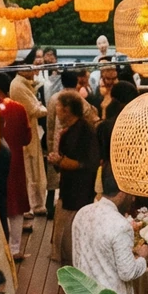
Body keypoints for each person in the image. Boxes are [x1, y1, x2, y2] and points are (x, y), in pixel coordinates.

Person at [68, 168, 147, 294]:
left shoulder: (82, 213)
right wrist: (143, 257)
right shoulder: (120, 225)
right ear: (122, 193)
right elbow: (127, 272)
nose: (131, 199)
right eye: (130, 194)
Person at [49, 89, 101, 265]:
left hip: (80, 188)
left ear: (67, 109)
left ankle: (75, 260)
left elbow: (86, 162)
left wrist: (61, 161)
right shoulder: (71, 129)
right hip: (70, 187)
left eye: (58, 107)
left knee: (74, 226)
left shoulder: (84, 131)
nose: (56, 111)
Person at [0, 70, 33, 261]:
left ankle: (1, 249)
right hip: (15, 160)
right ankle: (16, 248)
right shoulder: (19, 109)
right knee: (16, 204)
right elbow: (27, 138)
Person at [6, 60, 46, 224]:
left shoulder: (23, 84)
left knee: (32, 166)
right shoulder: (18, 86)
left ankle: (35, 203)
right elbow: (35, 109)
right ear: (21, 70)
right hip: (25, 130)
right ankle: (31, 205)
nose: (33, 70)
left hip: (30, 128)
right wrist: (44, 108)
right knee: (29, 167)